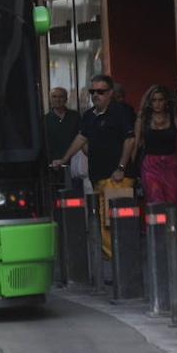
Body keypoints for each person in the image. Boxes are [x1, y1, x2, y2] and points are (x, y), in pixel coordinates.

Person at [51, 74, 136, 260]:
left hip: (117, 177)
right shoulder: (89, 115)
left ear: (110, 93)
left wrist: (121, 167)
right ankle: (114, 263)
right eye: (92, 91)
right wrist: (64, 158)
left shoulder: (120, 112)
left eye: (101, 91)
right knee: (103, 222)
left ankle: (123, 261)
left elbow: (130, 140)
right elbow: (81, 138)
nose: (95, 95)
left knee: (116, 222)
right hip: (97, 176)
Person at [133, 84, 177, 205]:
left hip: (171, 164)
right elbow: (136, 143)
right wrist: (130, 167)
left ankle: (171, 224)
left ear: (166, 101)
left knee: (172, 201)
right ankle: (158, 224)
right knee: (156, 199)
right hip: (150, 165)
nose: (157, 104)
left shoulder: (173, 116)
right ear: (150, 102)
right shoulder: (143, 119)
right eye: (154, 100)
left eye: (160, 100)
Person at [43, 86, 81, 165]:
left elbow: (82, 138)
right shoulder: (44, 120)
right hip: (52, 163)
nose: (57, 99)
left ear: (66, 99)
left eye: (61, 96)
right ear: (50, 99)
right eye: (54, 97)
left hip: (74, 162)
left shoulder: (75, 116)